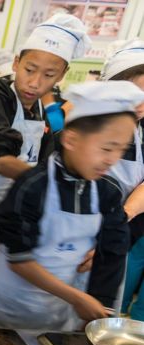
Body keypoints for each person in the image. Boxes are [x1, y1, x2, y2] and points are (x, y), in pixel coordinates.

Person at [0, 81, 143, 330]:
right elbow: (18, 259)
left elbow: (112, 253)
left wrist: (100, 305)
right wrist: (76, 297)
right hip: (6, 306)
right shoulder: (33, 185)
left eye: (120, 150)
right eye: (106, 148)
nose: (112, 160)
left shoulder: (107, 194)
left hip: (54, 312)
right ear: (71, 139)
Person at [0, 14, 90, 296]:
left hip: (19, 207)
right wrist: (51, 180)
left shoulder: (41, 111)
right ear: (17, 63)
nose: (34, 82)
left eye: (48, 75)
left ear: (62, 76)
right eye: (30, 69)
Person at [100, 40, 144, 320]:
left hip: (119, 237)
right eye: (135, 94)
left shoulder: (140, 132)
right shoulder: (86, 128)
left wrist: (120, 220)